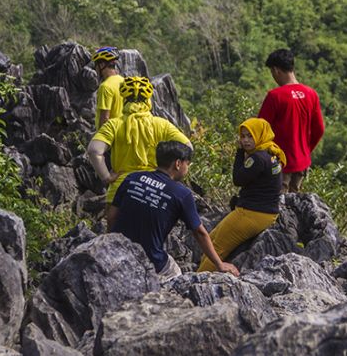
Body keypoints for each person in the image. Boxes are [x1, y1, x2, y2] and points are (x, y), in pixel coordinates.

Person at [109, 141, 239, 281]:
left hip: (116, 251)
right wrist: (220, 264)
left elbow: (111, 216)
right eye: (187, 164)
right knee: (175, 275)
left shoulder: (132, 178)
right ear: (178, 164)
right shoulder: (181, 194)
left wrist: (109, 246)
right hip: (150, 260)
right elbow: (200, 233)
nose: (187, 169)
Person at [87, 76, 192, 230]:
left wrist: (107, 177)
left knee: (113, 243)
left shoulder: (114, 124)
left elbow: (94, 150)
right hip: (153, 191)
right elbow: (187, 146)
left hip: (120, 190)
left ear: (125, 99)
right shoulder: (160, 124)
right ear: (148, 100)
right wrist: (170, 175)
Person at [197, 118, 285, 272]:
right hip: (264, 212)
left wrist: (239, 153)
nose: (245, 141)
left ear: (260, 135)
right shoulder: (271, 152)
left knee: (217, 248)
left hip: (252, 212)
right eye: (243, 136)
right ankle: (198, 271)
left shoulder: (257, 158)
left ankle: (195, 281)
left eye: (250, 136)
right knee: (210, 239)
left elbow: (238, 179)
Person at [258, 49, 325, 193]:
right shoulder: (311, 94)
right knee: (295, 206)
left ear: (276, 70)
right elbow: (319, 129)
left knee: (276, 207)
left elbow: (259, 130)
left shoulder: (275, 96)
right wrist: (305, 150)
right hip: (302, 163)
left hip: (280, 164)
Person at [91, 46, 125, 130]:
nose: (95, 69)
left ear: (102, 65)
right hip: (123, 132)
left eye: (96, 65)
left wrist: (100, 138)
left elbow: (105, 118)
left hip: (110, 136)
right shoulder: (123, 81)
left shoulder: (105, 87)